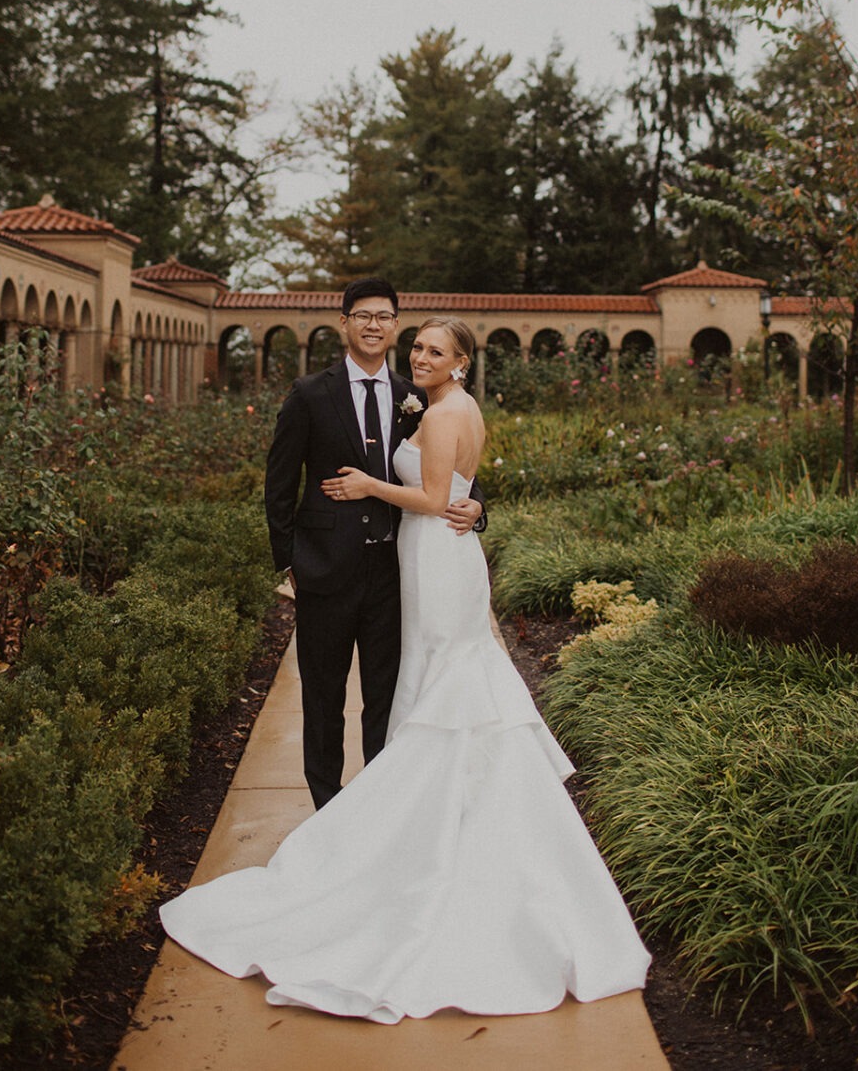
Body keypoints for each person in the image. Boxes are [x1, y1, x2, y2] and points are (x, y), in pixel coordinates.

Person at [160, 316, 651, 1022]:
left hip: (435, 558)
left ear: (459, 363)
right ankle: (426, 823)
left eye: (434, 350)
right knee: (426, 686)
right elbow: (454, 490)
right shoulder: (434, 402)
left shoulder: (447, 409)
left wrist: (369, 485)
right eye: (415, 345)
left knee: (443, 689)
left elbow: (432, 497)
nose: (418, 356)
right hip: (422, 560)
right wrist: (462, 503)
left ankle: (432, 836)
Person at [261, 278, 484, 808]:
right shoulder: (310, 393)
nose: (373, 325)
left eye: (384, 316)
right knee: (323, 697)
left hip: (395, 572)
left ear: (395, 324)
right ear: (344, 323)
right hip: (325, 569)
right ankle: (327, 809)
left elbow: (452, 474)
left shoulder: (417, 394)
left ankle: (378, 808)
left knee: (387, 698)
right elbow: (279, 482)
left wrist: (477, 509)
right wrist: (288, 561)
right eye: (362, 315)